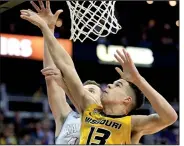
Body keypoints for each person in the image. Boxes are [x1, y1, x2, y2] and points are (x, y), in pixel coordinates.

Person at [20, 1, 178, 144]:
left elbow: (170, 117)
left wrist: (138, 80)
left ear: (127, 99)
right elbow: (67, 66)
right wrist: (47, 30)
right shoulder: (89, 109)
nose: (109, 85)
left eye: (117, 85)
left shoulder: (132, 124)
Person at [29, 0, 102, 144]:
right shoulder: (67, 117)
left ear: (102, 103)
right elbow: (51, 77)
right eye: (83, 89)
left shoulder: (112, 124)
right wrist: (48, 29)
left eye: (91, 91)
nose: (83, 92)